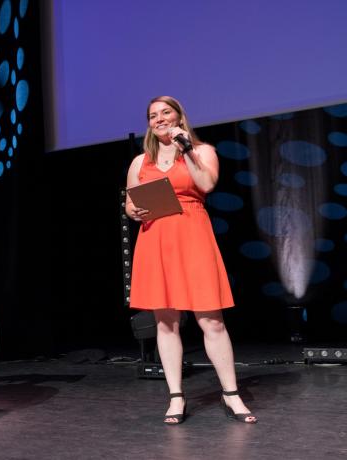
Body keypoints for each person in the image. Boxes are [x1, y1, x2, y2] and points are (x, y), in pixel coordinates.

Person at [125, 96, 257, 425]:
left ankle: (231, 395)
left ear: (179, 115)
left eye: (165, 112)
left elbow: (207, 183)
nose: (159, 119)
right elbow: (129, 203)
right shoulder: (140, 161)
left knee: (211, 320)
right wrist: (134, 210)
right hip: (155, 237)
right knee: (165, 322)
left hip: (192, 234)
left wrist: (186, 149)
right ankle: (176, 397)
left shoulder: (202, 151)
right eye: (152, 115)